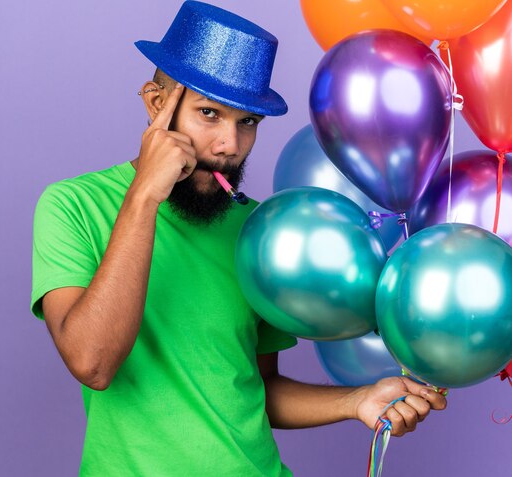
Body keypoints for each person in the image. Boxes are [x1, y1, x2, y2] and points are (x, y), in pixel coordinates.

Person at [30, 2, 446, 475]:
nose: (230, 145)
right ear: (155, 104)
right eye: (209, 113)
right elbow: (93, 362)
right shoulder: (73, 207)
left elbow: (254, 389)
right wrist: (144, 196)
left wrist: (358, 400)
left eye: (247, 121)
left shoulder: (257, 232)